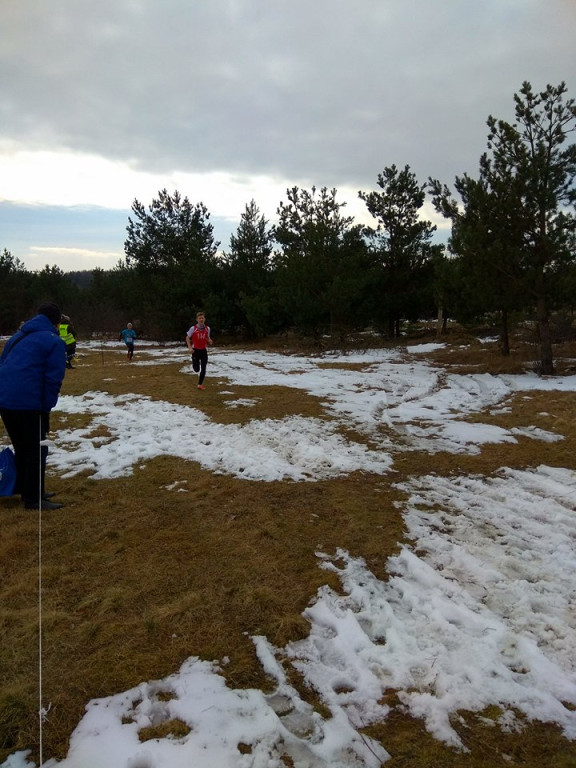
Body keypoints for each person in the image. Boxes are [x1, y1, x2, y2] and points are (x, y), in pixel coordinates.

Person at [0, 302, 66, 510]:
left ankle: (28, 490)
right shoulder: (54, 341)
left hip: (5, 401)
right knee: (37, 449)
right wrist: (45, 407)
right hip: (28, 403)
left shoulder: (17, 336)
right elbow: (53, 378)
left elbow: (3, 363)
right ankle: (34, 500)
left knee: (23, 447)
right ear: (55, 322)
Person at [185, 311, 213, 390]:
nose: (201, 319)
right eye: (199, 318)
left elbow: (207, 337)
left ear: (204, 319)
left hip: (204, 351)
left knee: (204, 368)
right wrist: (190, 348)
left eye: (202, 318)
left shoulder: (207, 328)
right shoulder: (193, 328)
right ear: (197, 319)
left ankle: (200, 384)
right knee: (196, 369)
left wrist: (209, 340)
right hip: (195, 351)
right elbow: (187, 338)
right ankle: (195, 363)